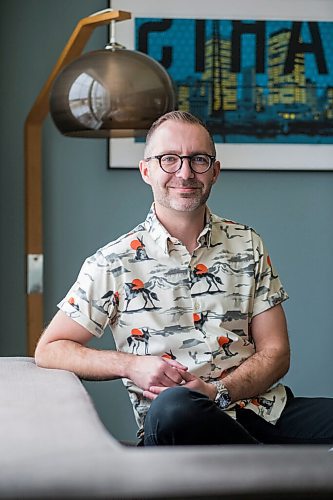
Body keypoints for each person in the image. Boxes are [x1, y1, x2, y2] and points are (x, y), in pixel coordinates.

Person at [35, 111, 333, 447]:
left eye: (199, 160)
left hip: (264, 410)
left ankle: (260, 465)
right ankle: (277, 468)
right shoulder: (112, 263)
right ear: (146, 170)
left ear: (215, 172)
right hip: (180, 421)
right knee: (174, 407)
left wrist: (217, 390)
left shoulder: (247, 243)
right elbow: (50, 349)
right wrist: (131, 366)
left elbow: (276, 352)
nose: (185, 172)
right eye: (169, 159)